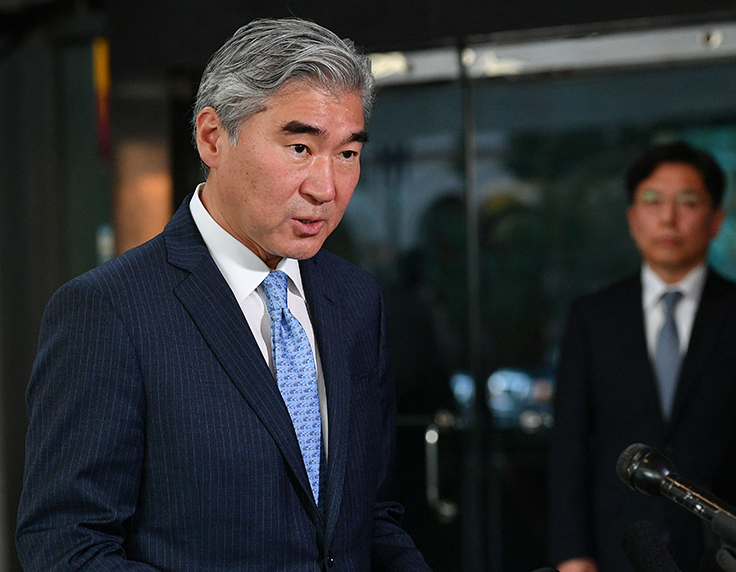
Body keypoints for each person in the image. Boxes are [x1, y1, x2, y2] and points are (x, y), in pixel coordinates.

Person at [17, 18, 432, 572]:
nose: (325, 187)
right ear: (213, 137)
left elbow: (371, 518)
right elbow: (67, 546)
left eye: (347, 154)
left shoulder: (356, 300)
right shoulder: (109, 310)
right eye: (300, 147)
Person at [548, 141, 736, 572]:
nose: (668, 217)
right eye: (652, 201)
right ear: (633, 218)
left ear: (716, 221)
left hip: (725, 552)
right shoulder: (592, 317)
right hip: (619, 545)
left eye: (687, 202)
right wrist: (572, 555)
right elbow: (569, 448)